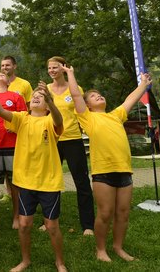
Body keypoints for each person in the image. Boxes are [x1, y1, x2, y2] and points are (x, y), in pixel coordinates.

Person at [65, 65, 151, 262]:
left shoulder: (116, 115)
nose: (99, 97)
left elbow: (130, 99)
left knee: (123, 213)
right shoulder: (87, 117)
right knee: (105, 213)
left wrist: (143, 84)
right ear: (87, 105)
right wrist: (70, 74)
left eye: (100, 95)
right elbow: (76, 96)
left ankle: (118, 247)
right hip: (103, 174)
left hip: (124, 172)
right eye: (94, 97)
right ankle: (101, 249)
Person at [0, 83, 66, 272]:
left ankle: (60, 262)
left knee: (52, 226)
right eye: (34, 95)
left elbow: (59, 122)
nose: (36, 97)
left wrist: (51, 102)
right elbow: (2, 112)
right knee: (25, 224)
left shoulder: (50, 120)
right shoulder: (21, 118)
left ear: (47, 104)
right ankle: (25, 260)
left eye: (41, 96)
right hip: (25, 181)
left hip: (49, 182)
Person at [47, 56, 94, 235]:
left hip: (73, 139)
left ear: (64, 68)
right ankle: (49, 220)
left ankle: (88, 225)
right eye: (49, 68)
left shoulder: (75, 88)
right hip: (53, 140)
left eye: (55, 67)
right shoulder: (47, 90)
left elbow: (82, 112)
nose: (52, 70)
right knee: (50, 183)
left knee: (81, 182)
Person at [0, 71, 27, 229]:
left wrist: (16, 127)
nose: (0, 75)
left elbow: (24, 118)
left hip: (13, 144)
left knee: (14, 183)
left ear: (9, 82)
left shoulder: (16, 96)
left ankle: (16, 216)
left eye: (3, 74)